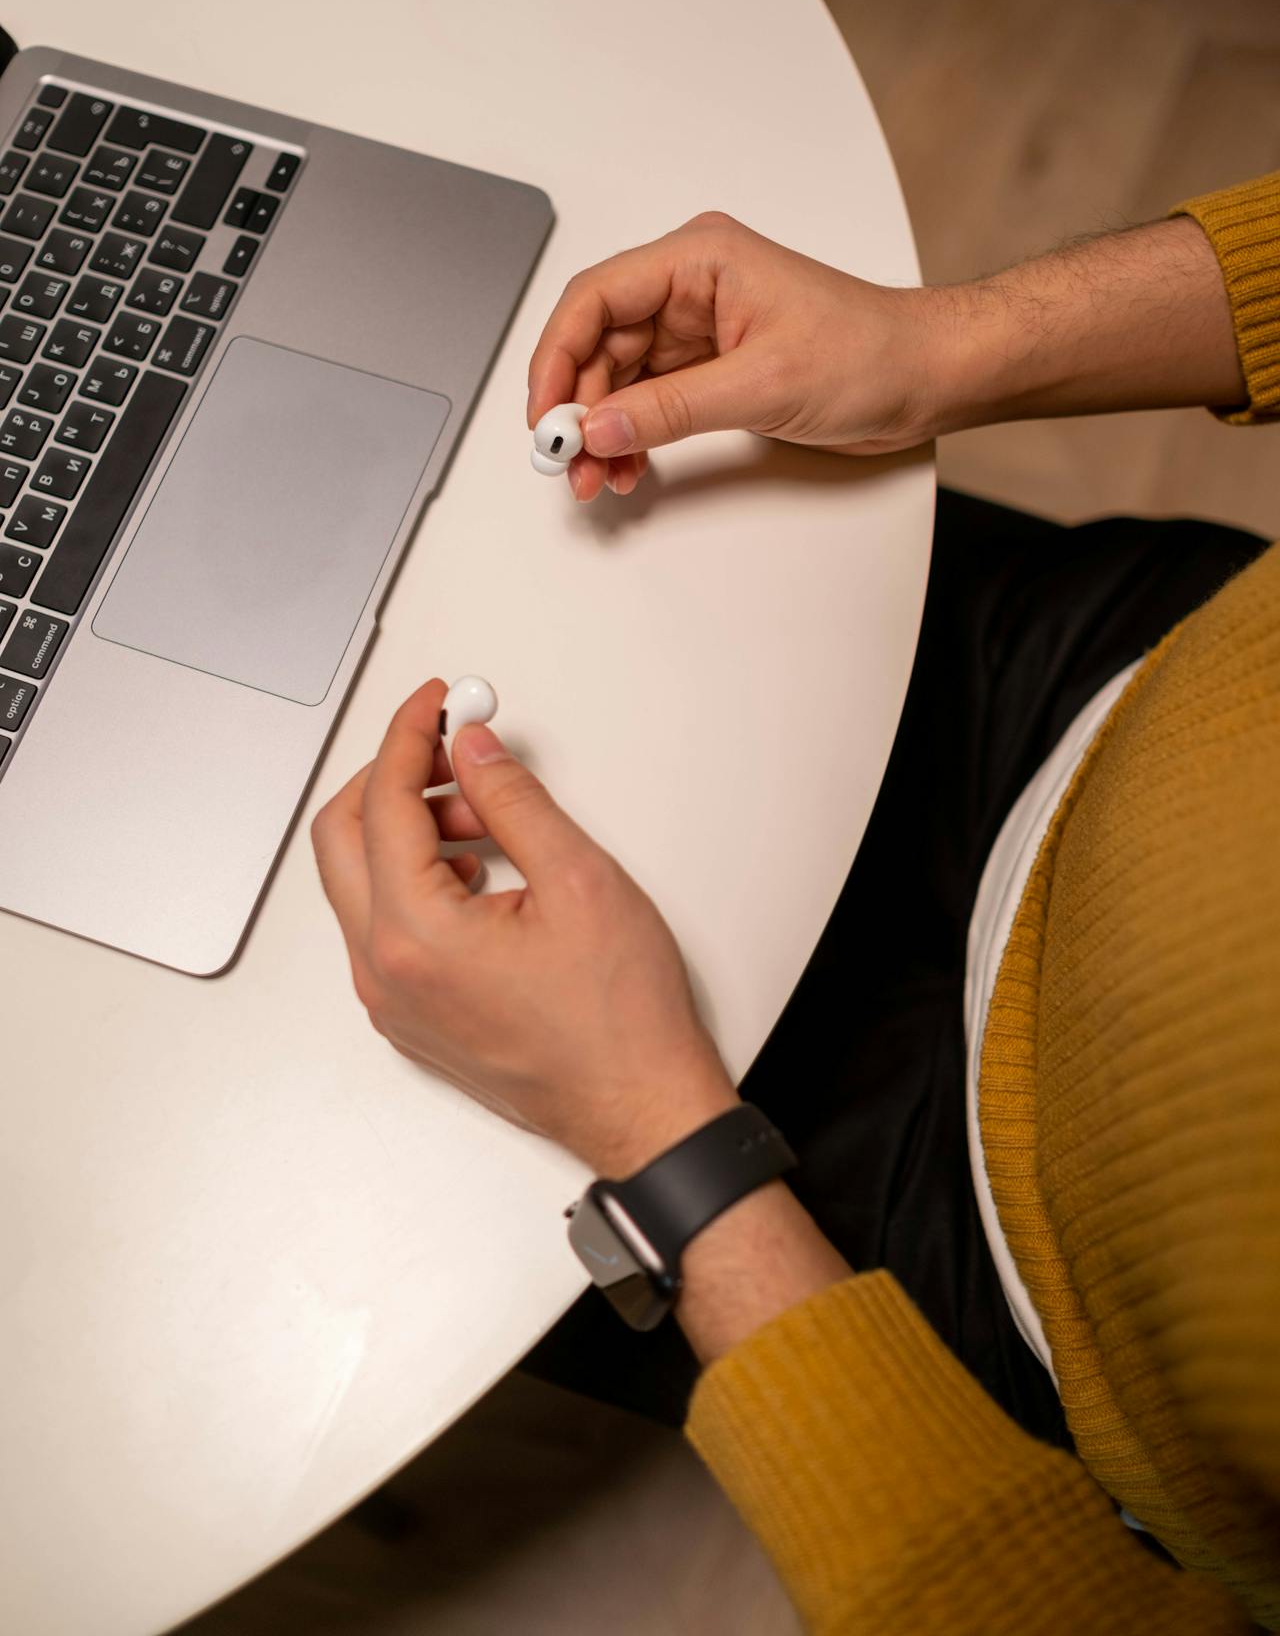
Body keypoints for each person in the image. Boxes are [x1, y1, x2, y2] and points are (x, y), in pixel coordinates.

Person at [311, 169, 1279, 1634]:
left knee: (350, 1133)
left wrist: (661, 1148)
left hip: (1001, 1267)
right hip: (1136, 676)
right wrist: (939, 347)